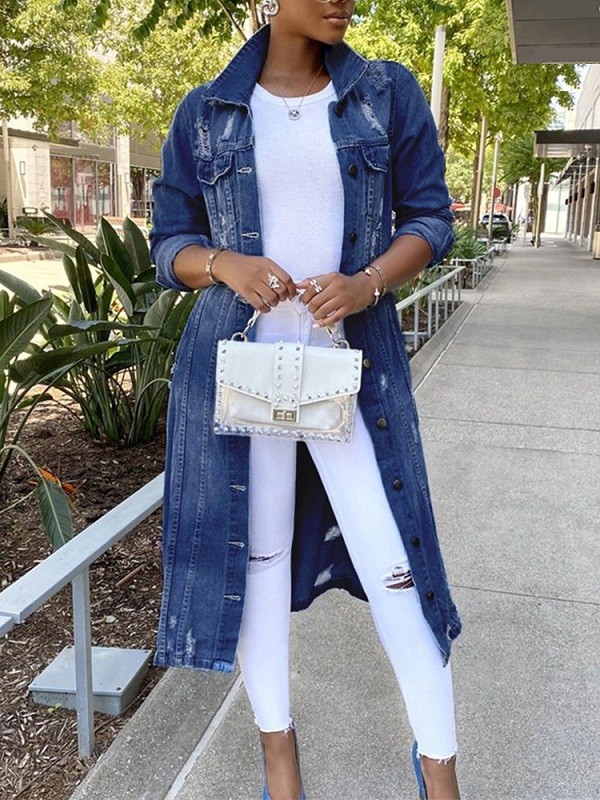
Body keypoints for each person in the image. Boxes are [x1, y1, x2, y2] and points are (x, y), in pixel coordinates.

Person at [149, 1, 463, 798]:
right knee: (254, 565)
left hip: (352, 371)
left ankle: (440, 768)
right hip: (241, 373)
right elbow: (169, 243)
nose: (342, 0)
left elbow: (431, 218)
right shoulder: (206, 111)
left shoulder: (384, 94)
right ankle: (280, 760)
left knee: (399, 565)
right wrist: (224, 264)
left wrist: (367, 282)